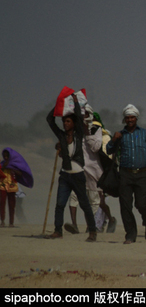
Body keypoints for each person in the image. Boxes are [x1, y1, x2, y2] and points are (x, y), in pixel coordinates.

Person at [106, 104, 146, 244]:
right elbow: (108, 150)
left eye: (132, 117)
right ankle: (130, 234)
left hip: (142, 174)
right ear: (124, 119)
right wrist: (113, 140)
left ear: (136, 118)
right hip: (125, 174)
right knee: (125, 206)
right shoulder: (120, 135)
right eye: (127, 117)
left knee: (141, 203)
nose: (130, 120)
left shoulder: (145, 134)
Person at [46, 96, 98, 241]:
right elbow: (50, 120)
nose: (65, 123)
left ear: (74, 123)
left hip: (78, 175)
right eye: (64, 121)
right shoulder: (61, 135)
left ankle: (92, 231)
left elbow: (80, 119)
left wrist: (75, 103)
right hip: (65, 175)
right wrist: (57, 106)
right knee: (60, 204)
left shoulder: (78, 134)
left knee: (84, 204)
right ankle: (58, 230)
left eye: (68, 121)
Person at [64, 104, 104, 234]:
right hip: (78, 167)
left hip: (93, 169)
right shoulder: (75, 130)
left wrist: (87, 133)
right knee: (74, 196)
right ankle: (74, 224)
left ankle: (90, 226)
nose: (84, 116)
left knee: (93, 199)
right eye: (82, 114)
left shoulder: (96, 129)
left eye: (86, 114)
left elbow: (96, 148)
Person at [0, 150, 19, 227]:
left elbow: (20, 173)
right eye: (4, 156)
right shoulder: (1, 164)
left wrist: (12, 168)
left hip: (12, 185)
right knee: (1, 203)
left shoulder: (14, 164)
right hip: (2, 185)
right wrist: (4, 166)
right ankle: (3, 221)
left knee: (12, 204)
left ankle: (11, 222)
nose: (6, 157)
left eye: (7, 156)